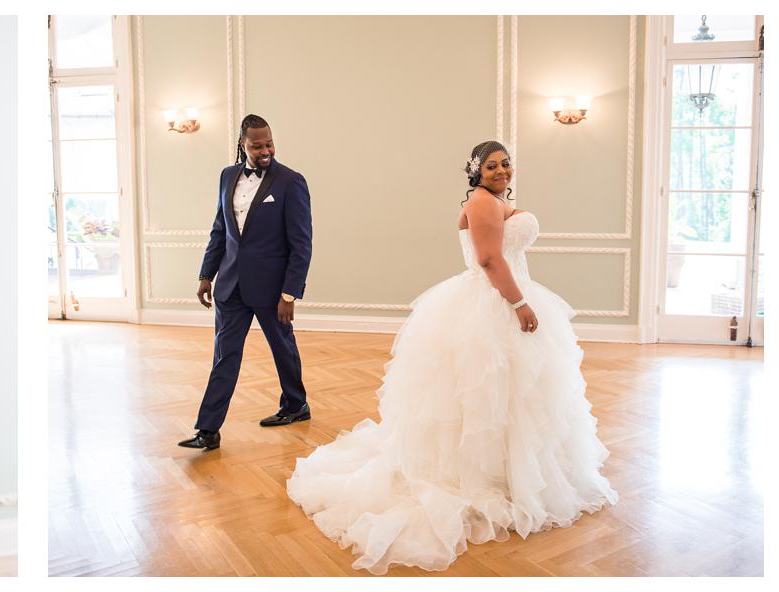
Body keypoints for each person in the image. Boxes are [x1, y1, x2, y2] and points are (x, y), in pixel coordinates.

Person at [286, 141, 616, 574]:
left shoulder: (495, 200)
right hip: (494, 301)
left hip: (506, 294)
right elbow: (489, 259)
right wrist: (520, 305)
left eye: (506, 163)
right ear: (475, 172)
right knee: (484, 393)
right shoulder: (482, 202)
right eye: (491, 165)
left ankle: (516, 474)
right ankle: (482, 477)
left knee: (518, 394)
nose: (501, 170)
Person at [180, 114, 315, 451]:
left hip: (272, 289)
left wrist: (289, 293)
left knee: (282, 348)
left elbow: (301, 243)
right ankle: (208, 430)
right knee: (224, 356)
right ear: (243, 144)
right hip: (230, 287)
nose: (265, 149)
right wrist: (205, 275)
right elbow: (219, 230)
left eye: (269, 143)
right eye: (257, 145)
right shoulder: (227, 176)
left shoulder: (290, 181)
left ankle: (296, 404)